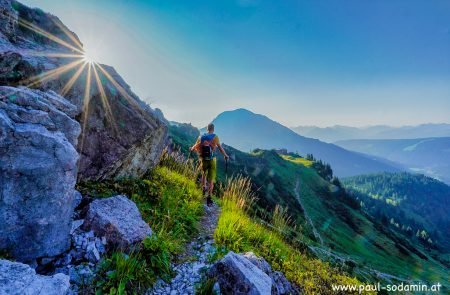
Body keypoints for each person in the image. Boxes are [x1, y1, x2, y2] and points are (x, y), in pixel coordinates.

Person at [190, 123, 229, 205]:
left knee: (204, 174)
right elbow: (220, 148)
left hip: (203, 159)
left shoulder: (201, 137)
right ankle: (209, 197)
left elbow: (196, 145)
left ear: (207, 129)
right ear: (213, 129)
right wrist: (225, 155)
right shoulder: (215, 137)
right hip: (212, 160)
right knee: (211, 179)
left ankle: (203, 189)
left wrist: (192, 149)